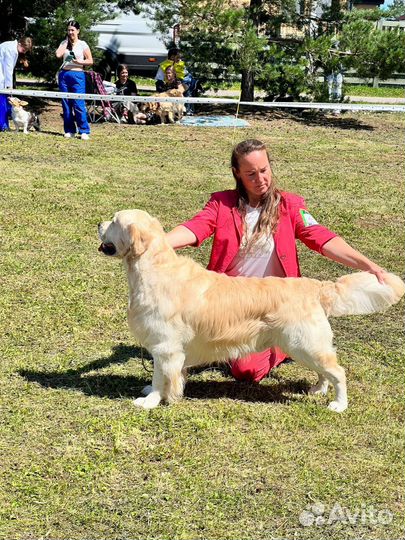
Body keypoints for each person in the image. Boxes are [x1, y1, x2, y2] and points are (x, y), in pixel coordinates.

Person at [166, 139, 387, 383]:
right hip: (228, 298)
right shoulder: (221, 203)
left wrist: (367, 265)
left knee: (246, 371)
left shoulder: (290, 205)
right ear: (236, 174)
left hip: (276, 304)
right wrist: (159, 243)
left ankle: (280, 343)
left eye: (264, 170)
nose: (260, 179)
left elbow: (322, 238)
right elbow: (196, 227)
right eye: (250, 173)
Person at [56, 20, 93, 140]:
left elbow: (90, 61)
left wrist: (80, 62)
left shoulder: (83, 44)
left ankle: (84, 130)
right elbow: (58, 55)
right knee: (66, 104)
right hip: (64, 75)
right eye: (68, 30)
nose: (70, 32)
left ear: (78, 31)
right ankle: (69, 130)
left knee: (78, 103)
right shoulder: (64, 42)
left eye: (72, 30)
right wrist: (66, 43)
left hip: (78, 75)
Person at [0, 37, 33, 131]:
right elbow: (8, 70)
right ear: (20, 44)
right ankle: (3, 126)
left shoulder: (10, 45)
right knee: (2, 102)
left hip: (2, 75)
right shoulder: (12, 50)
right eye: (24, 49)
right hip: (1, 77)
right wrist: (9, 88)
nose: (24, 52)